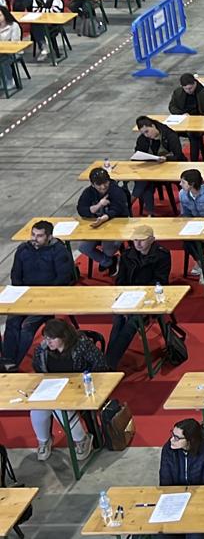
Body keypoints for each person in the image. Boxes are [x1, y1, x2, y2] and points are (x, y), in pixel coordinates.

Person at [3, 221, 75, 369]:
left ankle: (13, 364)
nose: (35, 239)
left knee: (27, 327)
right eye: (33, 235)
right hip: (24, 295)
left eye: (40, 236)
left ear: (49, 237)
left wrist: (44, 296)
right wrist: (20, 294)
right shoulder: (23, 249)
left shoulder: (59, 251)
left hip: (47, 297)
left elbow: (63, 277)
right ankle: (7, 361)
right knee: (12, 322)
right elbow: (15, 274)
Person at [29, 319, 104, 462]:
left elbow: (100, 365)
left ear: (63, 337)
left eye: (52, 338)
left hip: (78, 387)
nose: (48, 341)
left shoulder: (82, 345)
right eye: (46, 337)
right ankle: (44, 440)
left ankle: (82, 439)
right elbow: (38, 368)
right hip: (53, 387)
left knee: (59, 408)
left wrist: (85, 381)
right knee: (37, 408)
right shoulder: (43, 349)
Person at [106, 225, 173, 369]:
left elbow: (161, 281)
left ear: (152, 240)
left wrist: (139, 298)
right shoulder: (127, 255)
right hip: (129, 296)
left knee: (132, 322)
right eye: (135, 240)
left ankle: (109, 364)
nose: (137, 243)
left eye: (141, 240)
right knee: (118, 320)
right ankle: (108, 361)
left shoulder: (162, 255)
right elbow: (120, 281)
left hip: (149, 297)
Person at [160, 418, 204, 529]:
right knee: (165, 532)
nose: (172, 440)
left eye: (177, 438)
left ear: (190, 440)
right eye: (172, 434)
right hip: (178, 498)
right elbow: (165, 479)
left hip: (203, 497)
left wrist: (192, 504)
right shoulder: (168, 449)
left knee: (196, 531)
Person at [75, 167, 130, 275]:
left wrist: (104, 218)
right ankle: (109, 261)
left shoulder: (116, 191)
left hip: (117, 226)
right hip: (97, 227)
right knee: (83, 247)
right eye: (99, 184)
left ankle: (108, 258)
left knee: (108, 249)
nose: (103, 186)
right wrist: (98, 205)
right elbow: (81, 209)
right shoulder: (88, 192)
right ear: (92, 184)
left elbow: (117, 209)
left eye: (105, 183)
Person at [169, 72, 204, 160]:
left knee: (193, 134)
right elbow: (172, 107)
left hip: (201, 121)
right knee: (170, 133)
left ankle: (194, 160)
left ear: (195, 83)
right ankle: (178, 157)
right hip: (185, 120)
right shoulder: (178, 92)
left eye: (190, 88)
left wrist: (202, 116)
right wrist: (181, 114)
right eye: (186, 89)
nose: (188, 91)